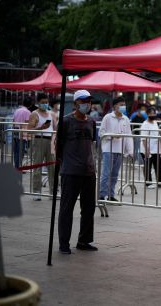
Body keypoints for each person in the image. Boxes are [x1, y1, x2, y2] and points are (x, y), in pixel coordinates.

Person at [58, 89, 98, 254]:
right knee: (67, 208)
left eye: (88, 101)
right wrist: (63, 163)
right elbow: (58, 146)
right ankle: (64, 244)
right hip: (70, 171)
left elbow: (92, 144)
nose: (86, 104)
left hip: (88, 170)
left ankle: (84, 240)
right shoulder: (66, 121)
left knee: (89, 208)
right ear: (75, 103)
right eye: (83, 101)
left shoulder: (92, 121)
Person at [98, 97, 133, 201]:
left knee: (115, 174)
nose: (123, 107)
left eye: (124, 104)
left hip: (120, 150)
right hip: (108, 149)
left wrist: (130, 151)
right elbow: (101, 133)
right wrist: (112, 136)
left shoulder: (125, 119)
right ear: (115, 106)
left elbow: (128, 136)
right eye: (121, 104)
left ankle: (111, 195)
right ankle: (101, 194)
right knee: (106, 173)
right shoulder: (108, 117)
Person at [28, 93, 56, 200]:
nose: (45, 104)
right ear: (38, 103)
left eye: (46, 102)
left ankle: (52, 191)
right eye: (42, 103)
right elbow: (29, 130)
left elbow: (55, 128)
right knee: (37, 167)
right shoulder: (34, 114)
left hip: (50, 141)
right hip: (39, 140)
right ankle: (37, 192)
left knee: (52, 167)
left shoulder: (52, 114)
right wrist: (41, 128)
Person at [140, 107, 161, 188]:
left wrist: (160, 148)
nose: (153, 115)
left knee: (158, 165)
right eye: (151, 113)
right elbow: (144, 138)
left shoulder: (155, 123)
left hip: (155, 149)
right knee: (148, 166)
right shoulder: (145, 124)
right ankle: (148, 183)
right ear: (147, 114)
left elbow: (157, 135)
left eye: (154, 113)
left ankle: (160, 181)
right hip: (147, 149)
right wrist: (147, 150)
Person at [13, 96, 33, 169]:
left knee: (16, 150)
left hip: (15, 130)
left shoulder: (17, 110)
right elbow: (28, 123)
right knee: (20, 151)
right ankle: (18, 167)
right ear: (30, 104)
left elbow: (13, 120)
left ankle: (16, 166)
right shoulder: (28, 112)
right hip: (23, 132)